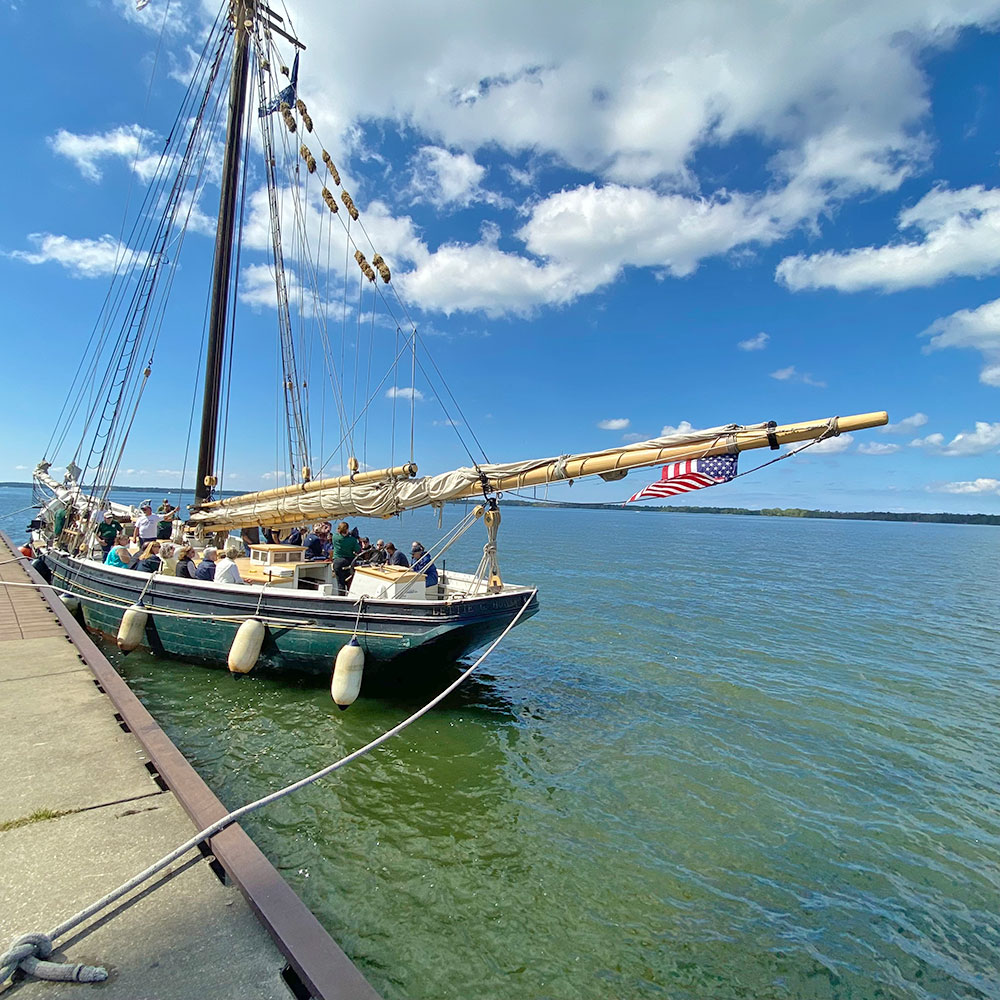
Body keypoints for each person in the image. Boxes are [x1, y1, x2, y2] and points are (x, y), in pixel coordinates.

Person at [331, 521, 360, 594]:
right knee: (350, 582)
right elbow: (357, 549)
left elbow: (340, 535)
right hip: (349, 562)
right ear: (347, 530)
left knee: (340, 582)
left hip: (337, 562)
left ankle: (341, 597)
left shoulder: (334, 537)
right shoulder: (352, 540)